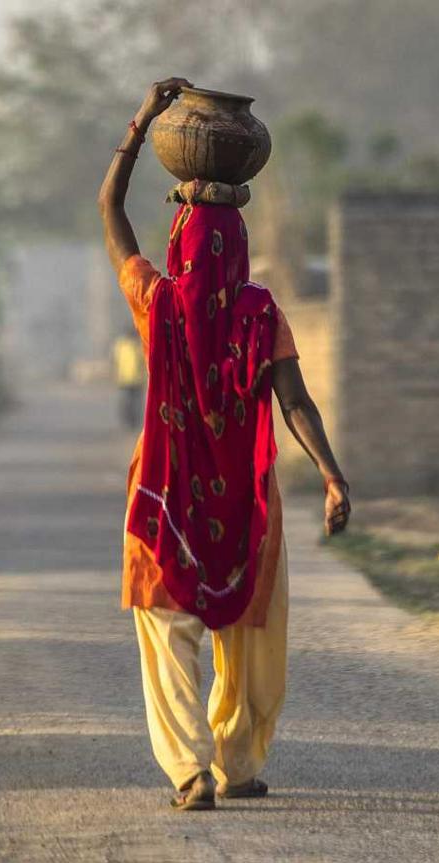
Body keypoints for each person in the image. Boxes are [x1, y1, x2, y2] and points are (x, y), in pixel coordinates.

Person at [98, 77, 351, 811]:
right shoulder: (259, 311)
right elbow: (296, 402)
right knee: (249, 633)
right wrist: (332, 476)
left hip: (163, 496)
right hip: (242, 498)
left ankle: (188, 772)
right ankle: (238, 765)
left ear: (178, 246)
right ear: (240, 252)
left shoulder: (157, 300)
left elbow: (110, 212)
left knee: (165, 636)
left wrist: (143, 124)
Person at [112, 326, 146, 427]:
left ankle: (134, 420)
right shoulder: (122, 345)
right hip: (125, 379)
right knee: (127, 402)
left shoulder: (138, 345)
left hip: (137, 380)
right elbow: (115, 361)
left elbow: (144, 361)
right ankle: (127, 419)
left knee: (136, 403)